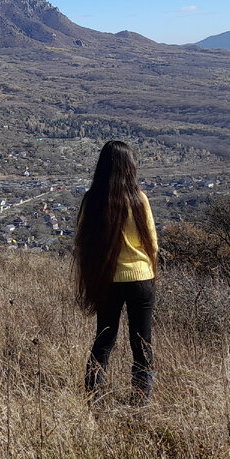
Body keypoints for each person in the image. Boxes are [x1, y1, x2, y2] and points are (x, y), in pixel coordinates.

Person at [74, 140, 159, 405]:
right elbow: (153, 244)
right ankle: (140, 401)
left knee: (104, 340)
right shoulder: (138, 198)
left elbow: (82, 242)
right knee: (142, 343)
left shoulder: (93, 200)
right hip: (142, 278)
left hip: (108, 279)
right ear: (127, 167)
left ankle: (94, 399)